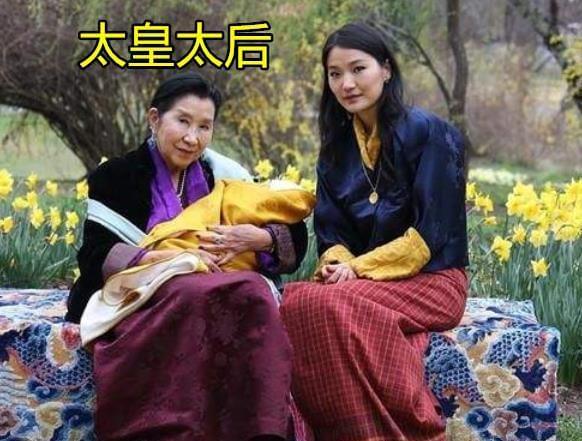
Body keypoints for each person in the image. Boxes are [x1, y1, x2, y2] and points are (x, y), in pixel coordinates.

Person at [66, 73, 308, 441]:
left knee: (252, 292)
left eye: (204, 127)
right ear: (155, 118)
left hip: (224, 294)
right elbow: (95, 255)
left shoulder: (222, 176)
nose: (192, 137)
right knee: (221, 290)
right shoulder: (117, 176)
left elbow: (293, 233)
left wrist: (258, 238)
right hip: (146, 299)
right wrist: (172, 260)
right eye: (182, 121)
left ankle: (262, 430)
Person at [280, 22, 468, 441]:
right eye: (335, 74)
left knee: (322, 303)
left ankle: (413, 430)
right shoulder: (336, 151)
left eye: (358, 69)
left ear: (386, 69)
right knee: (296, 301)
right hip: (364, 286)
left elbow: (430, 234)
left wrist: (357, 270)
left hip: (433, 280)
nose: (346, 84)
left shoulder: (431, 133)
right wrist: (338, 265)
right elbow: (331, 232)